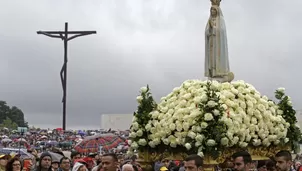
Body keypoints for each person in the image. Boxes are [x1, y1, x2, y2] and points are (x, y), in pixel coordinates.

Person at [204, 3, 232, 82]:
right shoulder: (209, 20)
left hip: (218, 43)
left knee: (217, 57)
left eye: (214, 10)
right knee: (211, 59)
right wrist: (209, 29)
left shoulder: (221, 20)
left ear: (217, 11)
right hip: (211, 42)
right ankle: (212, 73)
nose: (212, 11)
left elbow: (222, 31)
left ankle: (219, 73)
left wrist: (214, 28)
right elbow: (206, 32)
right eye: (211, 10)